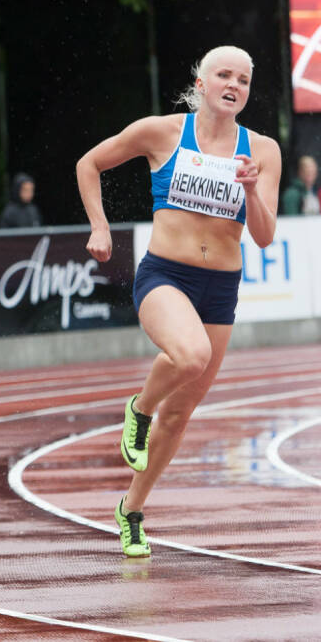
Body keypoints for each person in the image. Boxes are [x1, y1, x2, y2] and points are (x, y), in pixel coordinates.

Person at [76, 45, 279, 558]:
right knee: (191, 356)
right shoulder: (162, 132)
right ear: (202, 82)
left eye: (243, 79)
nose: (234, 85)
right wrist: (100, 226)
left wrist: (252, 191)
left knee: (182, 412)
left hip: (221, 288)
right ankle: (140, 407)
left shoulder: (262, 150)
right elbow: (89, 163)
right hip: (166, 275)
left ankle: (131, 511)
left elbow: (263, 236)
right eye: (224, 75)